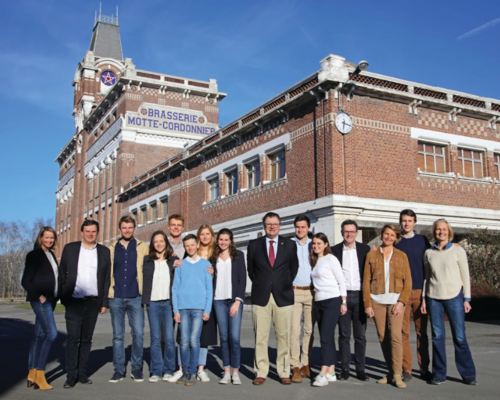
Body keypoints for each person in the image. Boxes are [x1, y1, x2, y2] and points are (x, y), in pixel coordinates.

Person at [421, 219, 477, 386]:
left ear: (449, 231)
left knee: (459, 337)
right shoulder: (428, 253)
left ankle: (468, 375)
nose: (441, 232)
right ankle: (439, 374)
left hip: (454, 296)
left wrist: (467, 298)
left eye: (444, 229)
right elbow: (427, 277)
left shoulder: (458, 251)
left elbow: (465, 276)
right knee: (437, 337)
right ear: (434, 232)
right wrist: (424, 298)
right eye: (438, 229)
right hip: (434, 298)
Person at [247, 212, 299, 385]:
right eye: (269, 224)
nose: (272, 226)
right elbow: (252, 270)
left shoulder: (290, 245)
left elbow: (293, 268)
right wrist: (264, 283)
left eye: (275, 224)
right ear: (264, 226)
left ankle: (284, 371)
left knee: (283, 336)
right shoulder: (254, 245)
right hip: (261, 295)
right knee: (260, 336)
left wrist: (280, 283)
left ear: (280, 226)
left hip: (283, 296)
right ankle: (261, 371)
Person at [59, 220, 111, 389]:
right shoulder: (70, 249)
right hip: (73, 301)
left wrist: (104, 302)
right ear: (82, 232)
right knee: (73, 339)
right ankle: (71, 376)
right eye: (87, 231)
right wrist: (64, 296)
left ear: (97, 232)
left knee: (87, 339)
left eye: (93, 231)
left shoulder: (104, 252)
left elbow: (106, 279)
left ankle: (82, 374)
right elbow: (62, 275)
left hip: (93, 302)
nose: (90, 234)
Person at [363, 224, 412, 389]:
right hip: (377, 301)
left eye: (392, 235)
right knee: (383, 337)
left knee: (396, 337)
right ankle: (390, 372)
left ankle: (398, 374)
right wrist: (368, 305)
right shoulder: (372, 255)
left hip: (395, 301)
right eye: (386, 234)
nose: (388, 237)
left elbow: (408, 283)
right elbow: (366, 282)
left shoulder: (401, 256)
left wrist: (401, 302)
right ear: (381, 235)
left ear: (396, 237)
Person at [108, 216, 149, 383]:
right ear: (120, 229)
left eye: (130, 227)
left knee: (138, 334)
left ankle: (137, 369)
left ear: (134, 228)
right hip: (116, 296)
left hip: (135, 297)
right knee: (118, 336)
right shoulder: (111, 249)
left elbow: (151, 265)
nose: (127, 230)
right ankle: (118, 370)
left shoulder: (142, 247)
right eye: (124, 227)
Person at [331, 220, 371, 381]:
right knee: (344, 335)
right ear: (342, 233)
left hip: (361, 297)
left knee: (360, 336)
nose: (349, 234)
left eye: (352, 231)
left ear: (356, 233)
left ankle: (361, 370)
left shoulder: (365, 249)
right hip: (343, 297)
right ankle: (345, 369)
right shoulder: (334, 251)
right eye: (346, 231)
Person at [21, 227, 60, 390]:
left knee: (39, 336)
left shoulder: (50, 254)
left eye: (52, 238)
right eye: (47, 238)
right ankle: (39, 374)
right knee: (51, 334)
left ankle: (32, 372)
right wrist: (40, 296)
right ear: (40, 238)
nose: (49, 240)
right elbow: (26, 281)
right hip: (41, 301)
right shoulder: (34, 255)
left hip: (50, 300)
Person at [172, 234, 213, 386]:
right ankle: (185, 371)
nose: (190, 247)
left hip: (198, 308)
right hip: (183, 308)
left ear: (197, 245)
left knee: (194, 341)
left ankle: (192, 373)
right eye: (187, 245)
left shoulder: (206, 264)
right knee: (183, 341)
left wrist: (207, 310)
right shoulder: (181, 265)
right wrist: (176, 310)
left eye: (192, 244)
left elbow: (209, 289)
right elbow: (175, 288)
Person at [394, 209, 431, 382]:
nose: (406, 223)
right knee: (403, 333)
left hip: (420, 293)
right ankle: (406, 369)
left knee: (421, 333)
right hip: (402, 294)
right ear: (400, 222)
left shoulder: (423, 240)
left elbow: (432, 260)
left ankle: (424, 369)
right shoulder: (396, 241)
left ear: (415, 222)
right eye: (403, 220)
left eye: (409, 220)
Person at [310, 233, 347, 387]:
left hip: (332, 300)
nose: (316, 246)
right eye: (314, 243)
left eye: (319, 243)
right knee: (328, 337)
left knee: (325, 337)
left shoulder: (331, 259)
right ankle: (331, 371)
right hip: (319, 302)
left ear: (326, 244)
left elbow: (341, 280)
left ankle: (323, 373)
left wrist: (343, 302)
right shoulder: (315, 261)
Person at [142, 231, 178, 382]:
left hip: (169, 303)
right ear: (152, 244)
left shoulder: (173, 260)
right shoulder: (147, 260)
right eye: (155, 241)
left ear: (166, 242)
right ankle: (156, 370)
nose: (158, 244)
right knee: (155, 338)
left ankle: (169, 369)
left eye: (161, 241)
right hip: (153, 303)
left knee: (169, 338)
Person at [212, 228, 247, 385]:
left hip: (234, 301)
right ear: (217, 240)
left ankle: (235, 372)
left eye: (226, 239)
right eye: (221, 239)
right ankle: (226, 371)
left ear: (231, 240)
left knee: (234, 337)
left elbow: (242, 280)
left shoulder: (239, 256)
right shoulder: (213, 257)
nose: (223, 242)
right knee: (224, 338)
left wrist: (238, 301)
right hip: (218, 300)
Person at [290, 214, 314, 383]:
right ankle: (295, 366)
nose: (300, 230)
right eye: (298, 227)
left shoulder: (315, 244)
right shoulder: (289, 245)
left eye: (303, 227)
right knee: (294, 330)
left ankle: (306, 363)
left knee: (309, 329)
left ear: (309, 228)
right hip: (295, 291)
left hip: (312, 292)